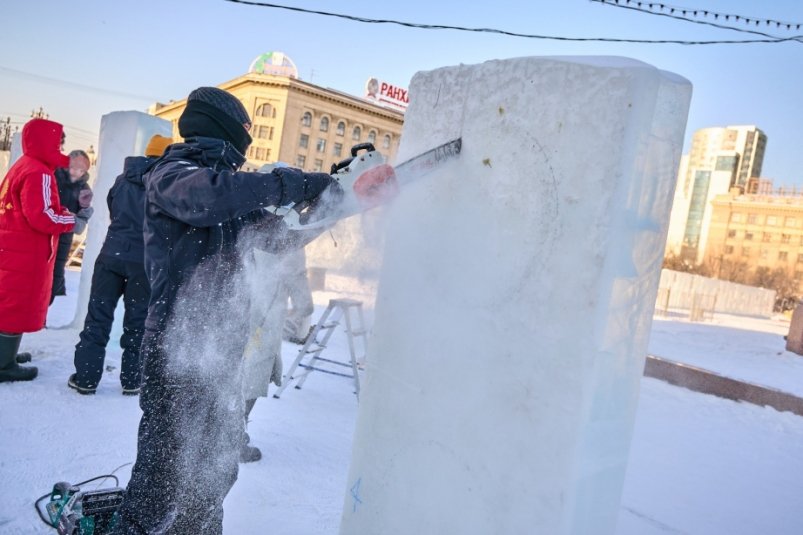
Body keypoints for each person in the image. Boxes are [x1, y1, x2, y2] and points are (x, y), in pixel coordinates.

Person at [113, 87, 342, 534]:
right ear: (221, 129)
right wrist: (297, 182)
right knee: (163, 474)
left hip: (222, 349)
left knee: (215, 466)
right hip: (175, 350)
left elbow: (280, 239)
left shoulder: (232, 198)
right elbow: (211, 196)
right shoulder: (174, 175)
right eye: (245, 135)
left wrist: (337, 204)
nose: (248, 146)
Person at [67, 135, 173, 396]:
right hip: (144, 263)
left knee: (97, 318)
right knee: (138, 323)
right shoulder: (167, 183)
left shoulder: (122, 179)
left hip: (111, 255)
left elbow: (113, 208)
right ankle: (132, 380)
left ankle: (85, 378)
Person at [0, 118, 76, 382]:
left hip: (12, 248)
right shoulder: (39, 172)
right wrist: (69, 219)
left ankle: (6, 355)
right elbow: (42, 217)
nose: (62, 146)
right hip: (26, 253)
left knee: (8, 303)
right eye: (59, 141)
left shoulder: (23, 165)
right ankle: (3, 365)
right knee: (15, 305)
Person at [51, 149, 94, 304]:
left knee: (56, 273)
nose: (77, 173)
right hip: (44, 233)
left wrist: (74, 219)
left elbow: (83, 220)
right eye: (74, 168)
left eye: (82, 170)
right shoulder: (53, 177)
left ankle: (44, 313)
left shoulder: (84, 190)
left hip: (64, 236)